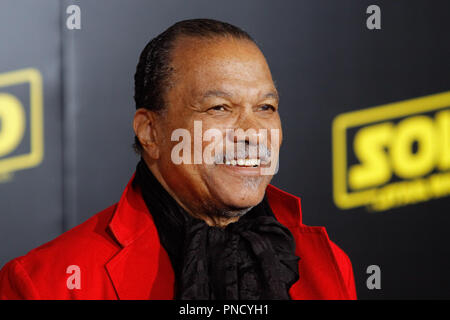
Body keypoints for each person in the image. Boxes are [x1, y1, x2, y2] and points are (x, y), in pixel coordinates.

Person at [0, 19, 356, 300]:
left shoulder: (327, 262)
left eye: (266, 108)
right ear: (150, 132)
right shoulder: (45, 285)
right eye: (219, 108)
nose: (252, 132)